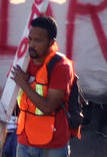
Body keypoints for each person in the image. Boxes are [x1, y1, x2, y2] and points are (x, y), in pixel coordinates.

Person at [11, 14, 75, 155]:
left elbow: (48, 107)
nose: (32, 45)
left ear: (51, 43)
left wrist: (23, 83)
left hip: (52, 145)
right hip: (24, 141)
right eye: (30, 39)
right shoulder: (23, 62)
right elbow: (8, 98)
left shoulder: (61, 66)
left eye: (38, 40)